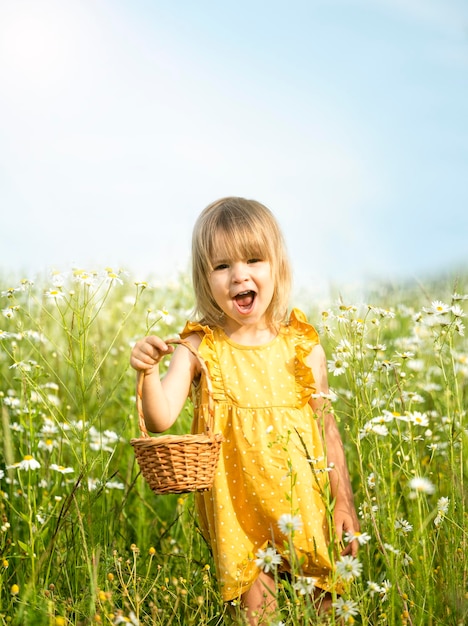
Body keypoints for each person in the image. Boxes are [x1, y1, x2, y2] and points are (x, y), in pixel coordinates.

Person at [130, 197, 360, 625]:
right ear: (205, 277)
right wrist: (147, 370)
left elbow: (326, 427)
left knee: (329, 610)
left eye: (254, 259)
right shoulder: (201, 346)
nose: (239, 275)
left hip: (306, 505)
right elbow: (161, 418)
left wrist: (343, 503)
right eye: (222, 266)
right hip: (240, 513)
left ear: (277, 266)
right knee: (258, 617)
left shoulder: (302, 346)